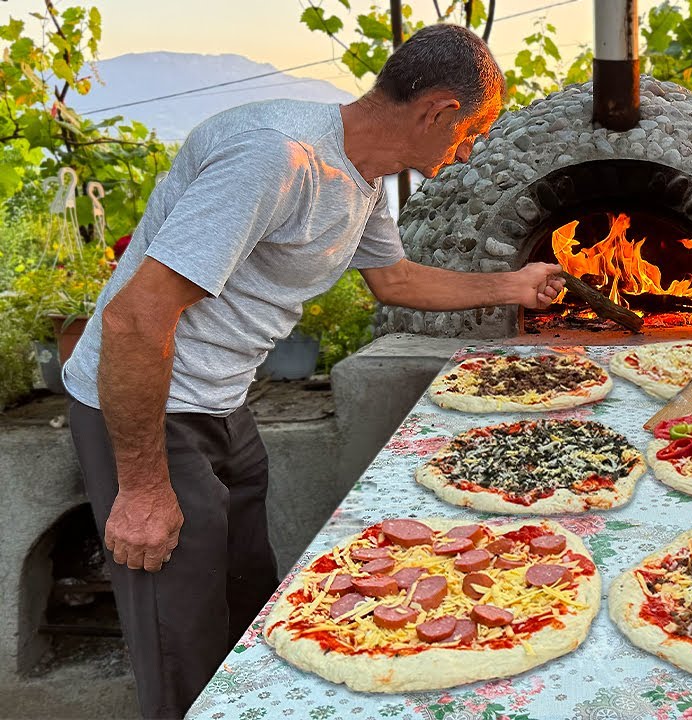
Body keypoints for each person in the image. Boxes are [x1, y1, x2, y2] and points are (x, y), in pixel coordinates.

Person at [60, 24, 563, 719]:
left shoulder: (362, 177)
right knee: (181, 640)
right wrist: (143, 486)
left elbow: (394, 281)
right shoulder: (276, 159)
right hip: (151, 404)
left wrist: (513, 287)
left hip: (223, 404)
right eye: (471, 130)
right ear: (439, 110)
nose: (469, 147)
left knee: (248, 604)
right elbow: (132, 319)